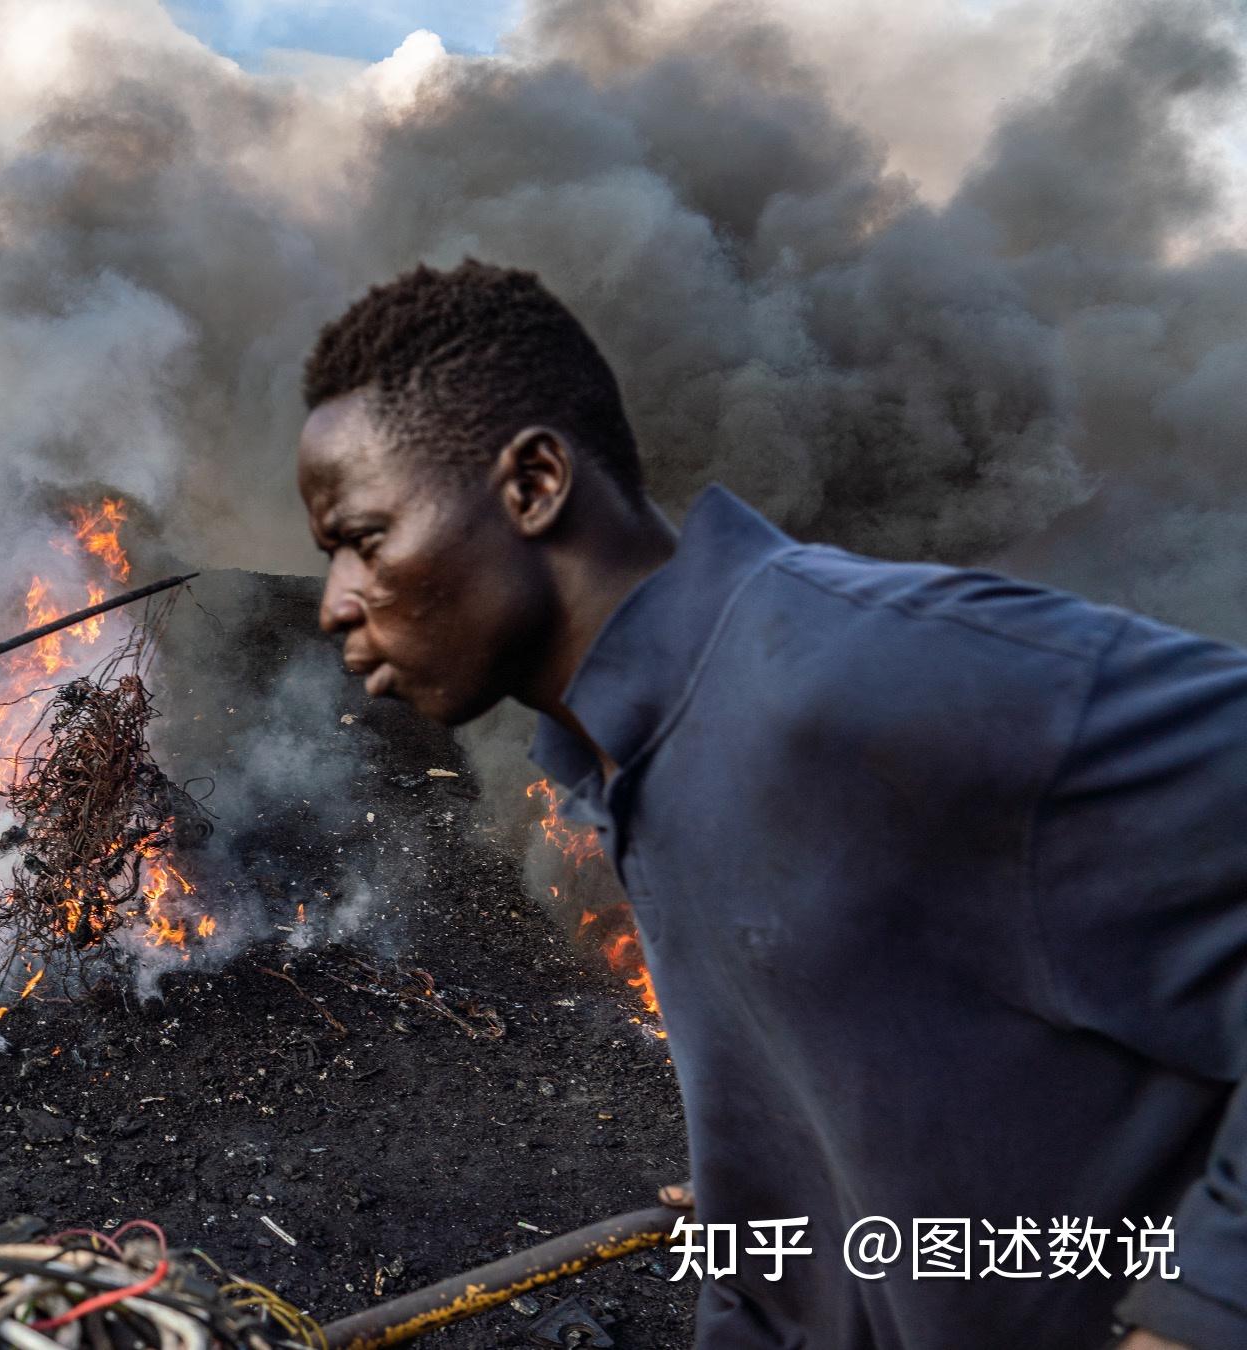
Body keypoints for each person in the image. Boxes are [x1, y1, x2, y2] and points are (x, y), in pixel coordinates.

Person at [295, 260, 1243, 1349]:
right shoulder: (634, 767)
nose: (334, 606)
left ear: (534, 483)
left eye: (364, 540)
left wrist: (1197, 1316)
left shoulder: (863, 676)